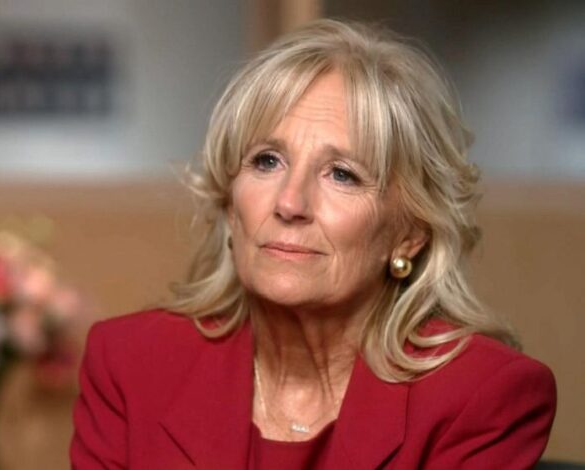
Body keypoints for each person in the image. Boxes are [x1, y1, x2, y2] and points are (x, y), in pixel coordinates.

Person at [70, 19, 556, 469]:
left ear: (411, 233)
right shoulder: (131, 363)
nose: (289, 202)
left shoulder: (480, 396)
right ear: (230, 202)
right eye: (266, 161)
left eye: (342, 174)